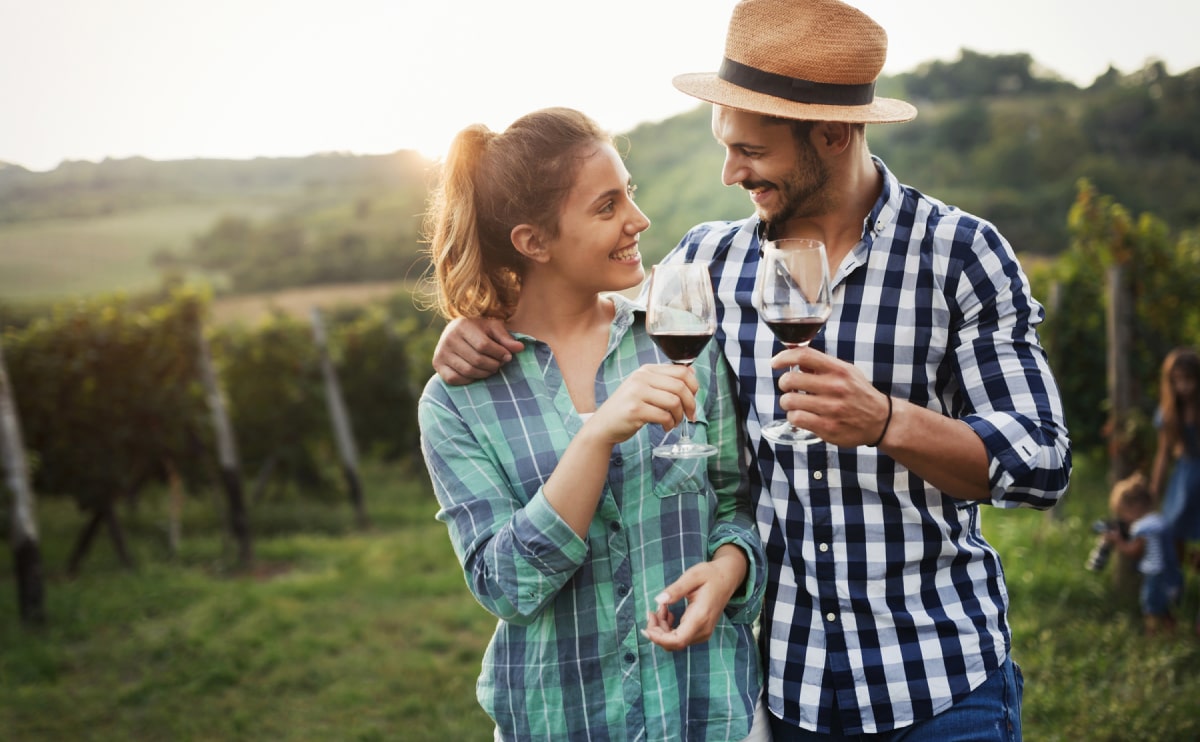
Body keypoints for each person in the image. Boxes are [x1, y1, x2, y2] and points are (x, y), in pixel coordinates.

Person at [431, 1, 1072, 739]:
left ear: (832, 134)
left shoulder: (959, 254)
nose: (730, 171)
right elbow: (579, 307)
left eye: (751, 150)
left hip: (940, 684)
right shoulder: (710, 262)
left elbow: (1040, 461)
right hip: (789, 691)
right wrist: (474, 320)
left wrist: (887, 422)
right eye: (725, 146)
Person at [416, 107, 770, 741]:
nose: (638, 219)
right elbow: (506, 587)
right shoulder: (457, 402)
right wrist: (596, 435)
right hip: (561, 720)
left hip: (703, 711)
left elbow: (734, 500)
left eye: (628, 192)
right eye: (607, 207)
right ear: (534, 242)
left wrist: (728, 571)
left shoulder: (680, 341)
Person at [1103, 472, 1184, 635]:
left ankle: (1151, 637)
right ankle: (1171, 634)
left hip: (1156, 575)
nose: (1125, 520)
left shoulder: (1143, 526)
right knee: (1165, 608)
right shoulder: (1160, 521)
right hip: (1172, 574)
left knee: (1151, 608)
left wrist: (1117, 541)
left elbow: (1135, 550)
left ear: (1134, 507)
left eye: (1123, 514)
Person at [1149, 347, 1200, 576]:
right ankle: (1173, 592)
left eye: (1188, 380)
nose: (1183, 387)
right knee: (1174, 530)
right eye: (1177, 381)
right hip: (1184, 476)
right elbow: (1163, 455)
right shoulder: (1170, 413)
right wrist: (1154, 492)